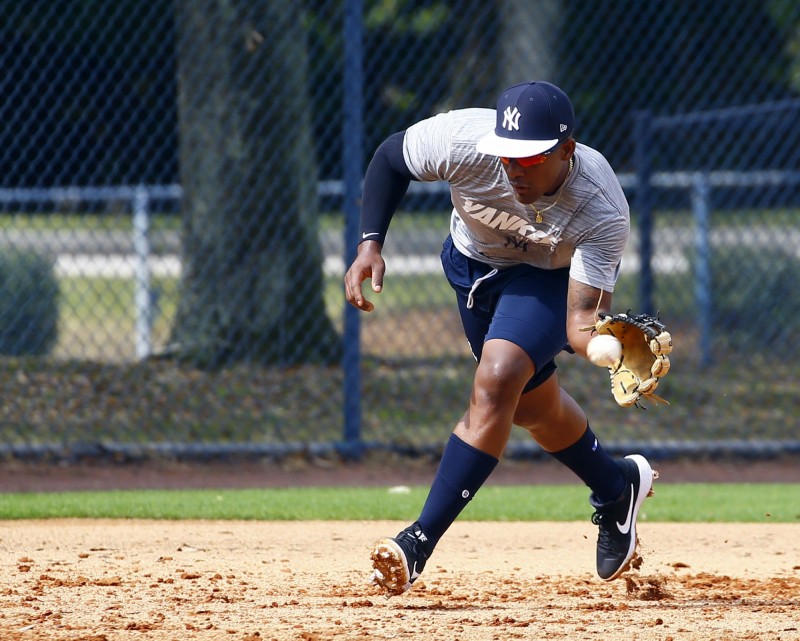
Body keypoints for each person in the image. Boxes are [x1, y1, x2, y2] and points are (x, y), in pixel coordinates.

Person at [344, 80, 654, 597]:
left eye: (529, 159)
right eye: (507, 156)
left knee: (498, 376)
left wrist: (609, 346)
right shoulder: (463, 140)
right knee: (530, 406)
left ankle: (418, 541)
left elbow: (580, 319)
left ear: (566, 150)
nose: (513, 168)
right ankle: (614, 485)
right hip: (471, 270)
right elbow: (389, 158)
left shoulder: (600, 205)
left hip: (546, 278)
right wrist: (369, 243)